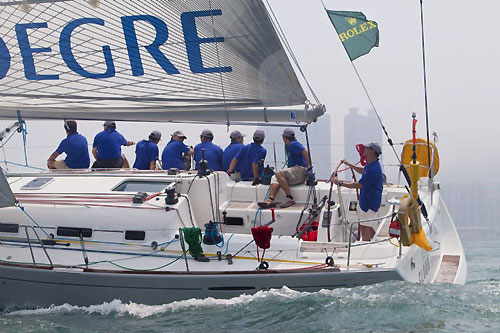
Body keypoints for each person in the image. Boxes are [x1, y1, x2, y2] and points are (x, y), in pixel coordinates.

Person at [330, 143, 384, 241]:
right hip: (366, 201)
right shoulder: (371, 164)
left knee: (364, 227)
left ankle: (365, 245)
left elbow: (358, 185)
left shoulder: (374, 169)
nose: (364, 149)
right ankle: (375, 240)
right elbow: (363, 170)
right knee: (365, 224)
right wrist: (349, 165)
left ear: (372, 151)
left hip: (369, 203)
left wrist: (339, 182)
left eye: (367, 148)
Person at [258, 128, 310, 209]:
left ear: (285, 137)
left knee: (278, 173)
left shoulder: (294, 144)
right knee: (275, 178)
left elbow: (305, 152)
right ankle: (270, 199)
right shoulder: (290, 146)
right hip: (295, 173)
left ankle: (289, 198)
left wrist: (309, 167)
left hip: (300, 170)